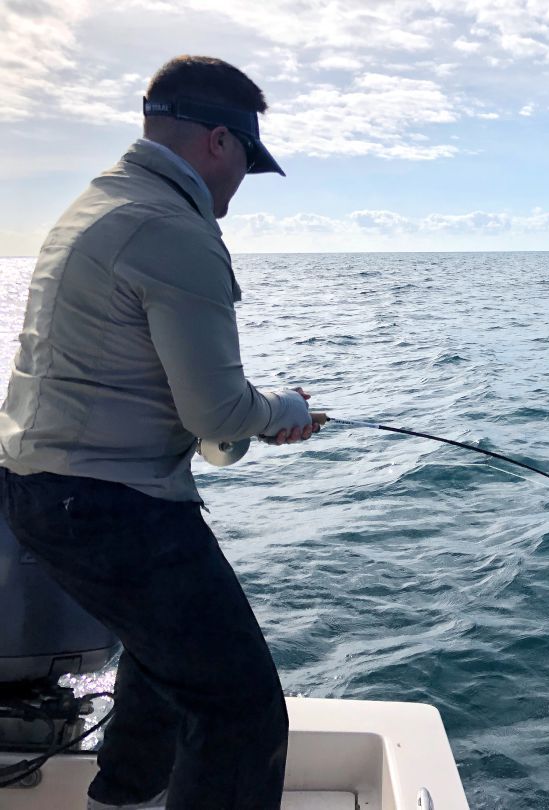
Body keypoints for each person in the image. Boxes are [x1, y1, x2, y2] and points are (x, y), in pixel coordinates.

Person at [0, 55, 317, 809]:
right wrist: (288, 410)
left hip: (42, 494)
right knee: (239, 710)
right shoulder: (173, 228)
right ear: (219, 141)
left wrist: (253, 418)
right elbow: (217, 417)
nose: (241, 181)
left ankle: (121, 802)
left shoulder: (99, 205)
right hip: (112, 509)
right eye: (247, 158)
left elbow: (156, 389)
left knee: (163, 665)